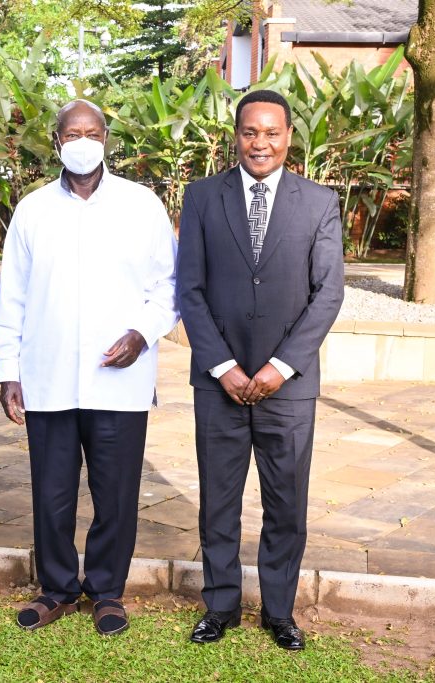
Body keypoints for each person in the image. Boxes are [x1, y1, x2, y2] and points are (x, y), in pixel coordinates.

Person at [0, 99, 178, 636]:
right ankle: (55, 588)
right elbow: (13, 298)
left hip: (118, 380)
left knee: (115, 494)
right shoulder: (31, 210)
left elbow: (168, 287)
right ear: (55, 142)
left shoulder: (142, 206)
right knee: (51, 493)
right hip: (47, 378)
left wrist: (142, 335)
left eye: (91, 132)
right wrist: (9, 371)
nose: (82, 140)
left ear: (106, 139)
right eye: (71, 132)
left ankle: (106, 592)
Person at [178, 89, 344, 650]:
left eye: (272, 132)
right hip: (219, 383)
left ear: (288, 137)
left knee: (286, 503)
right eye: (251, 132)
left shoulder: (319, 202)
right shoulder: (202, 197)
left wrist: (281, 366)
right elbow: (190, 290)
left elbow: (328, 294)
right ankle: (219, 606)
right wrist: (222, 366)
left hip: (288, 390)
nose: (261, 143)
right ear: (236, 136)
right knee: (217, 501)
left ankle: (279, 611)